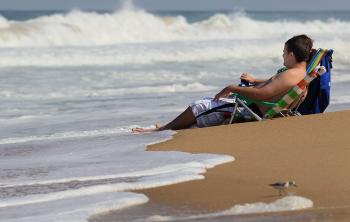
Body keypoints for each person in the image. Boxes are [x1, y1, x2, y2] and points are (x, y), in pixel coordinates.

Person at [132, 34, 314, 133]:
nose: (282, 55)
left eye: (284, 52)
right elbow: (275, 84)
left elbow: (263, 94)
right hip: (254, 106)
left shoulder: (291, 75)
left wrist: (231, 88)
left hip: (249, 108)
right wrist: (254, 80)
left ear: (291, 54)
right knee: (207, 110)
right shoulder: (298, 73)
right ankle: (170, 126)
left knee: (201, 106)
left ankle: (163, 129)